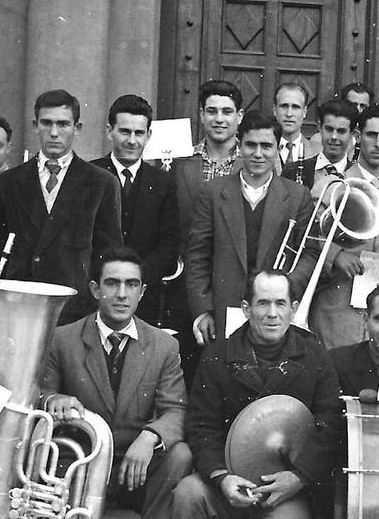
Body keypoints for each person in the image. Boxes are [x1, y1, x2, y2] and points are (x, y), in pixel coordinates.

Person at [172, 270, 343, 518]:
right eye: (263, 303)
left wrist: (299, 477)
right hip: (230, 482)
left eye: (280, 303)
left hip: (287, 489)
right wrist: (221, 478)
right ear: (246, 308)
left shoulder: (315, 355)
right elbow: (201, 426)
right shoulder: (217, 356)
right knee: (188, 494)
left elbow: (331, 425)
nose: (272, 313)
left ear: (293, 309)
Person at [41, 247, 191, 516]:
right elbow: (40, 392)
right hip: (81, 460)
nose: (122, 294)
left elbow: (176, 411)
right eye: (112, 283)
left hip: (135, 465)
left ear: (142, 292)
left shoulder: (164, 345)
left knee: (180, 455)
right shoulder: (62, 338)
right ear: (95, 289)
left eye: (131, 284)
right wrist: (54, 399)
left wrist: (150, 437)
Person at [0, 89, 122, 325]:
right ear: (35, 125)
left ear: (77, 128)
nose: (54, 133)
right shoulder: (7, 182)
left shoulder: (101, 183)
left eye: (63, 124)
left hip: (75, 310)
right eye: (46, 123)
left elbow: (108, 253)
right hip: (20, 307)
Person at [185, 111, 317, 345]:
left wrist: (285, 287)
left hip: (275, 310)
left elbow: (309, 253)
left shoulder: (298, 196)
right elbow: (197, 254)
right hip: (224, 309)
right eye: (250, 145)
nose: (258, 154)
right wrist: (202, 309)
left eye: (266, 146)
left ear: (277, 148)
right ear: (240, 145)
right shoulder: (213, 192)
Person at [308, 105, 379, 349]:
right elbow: (310, 237)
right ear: (358, 137)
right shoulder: (332, 186)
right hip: (339, 307)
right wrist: (336, 257)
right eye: (372, 135)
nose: (378, 144)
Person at [91, 95, 181, 328]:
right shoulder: (89, 175)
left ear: (149, 135)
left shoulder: (163, 182)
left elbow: (169, 243)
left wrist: (136, 281)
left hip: (144, 297)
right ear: (109, 131)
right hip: (95, 293)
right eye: (124, 131)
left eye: (139, 133)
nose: (132, 141)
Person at [174, 80, 244, 237]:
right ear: (202, 115)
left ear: (239, 116)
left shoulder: (254, 162)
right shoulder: (179, 162)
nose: (219, 119)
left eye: (227, 112)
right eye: (212, 111)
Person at [282, 98, 357, 190]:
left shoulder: (358, 175)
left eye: (341, 131)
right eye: (329, 129)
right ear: (320, 128)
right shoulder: (291, 171)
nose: (334, 137)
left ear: (352, 134)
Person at [306, 82, 370, 156]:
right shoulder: (319, 139)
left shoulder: (372, 141)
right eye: (353, 104)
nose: (358, 110)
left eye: (363, 106)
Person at [273, 83, 310, 169]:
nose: (289, 114)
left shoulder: (317, 151)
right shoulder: (262, 151)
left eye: (295, 107)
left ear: (304, 112)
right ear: (275, 110)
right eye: (284, 106)